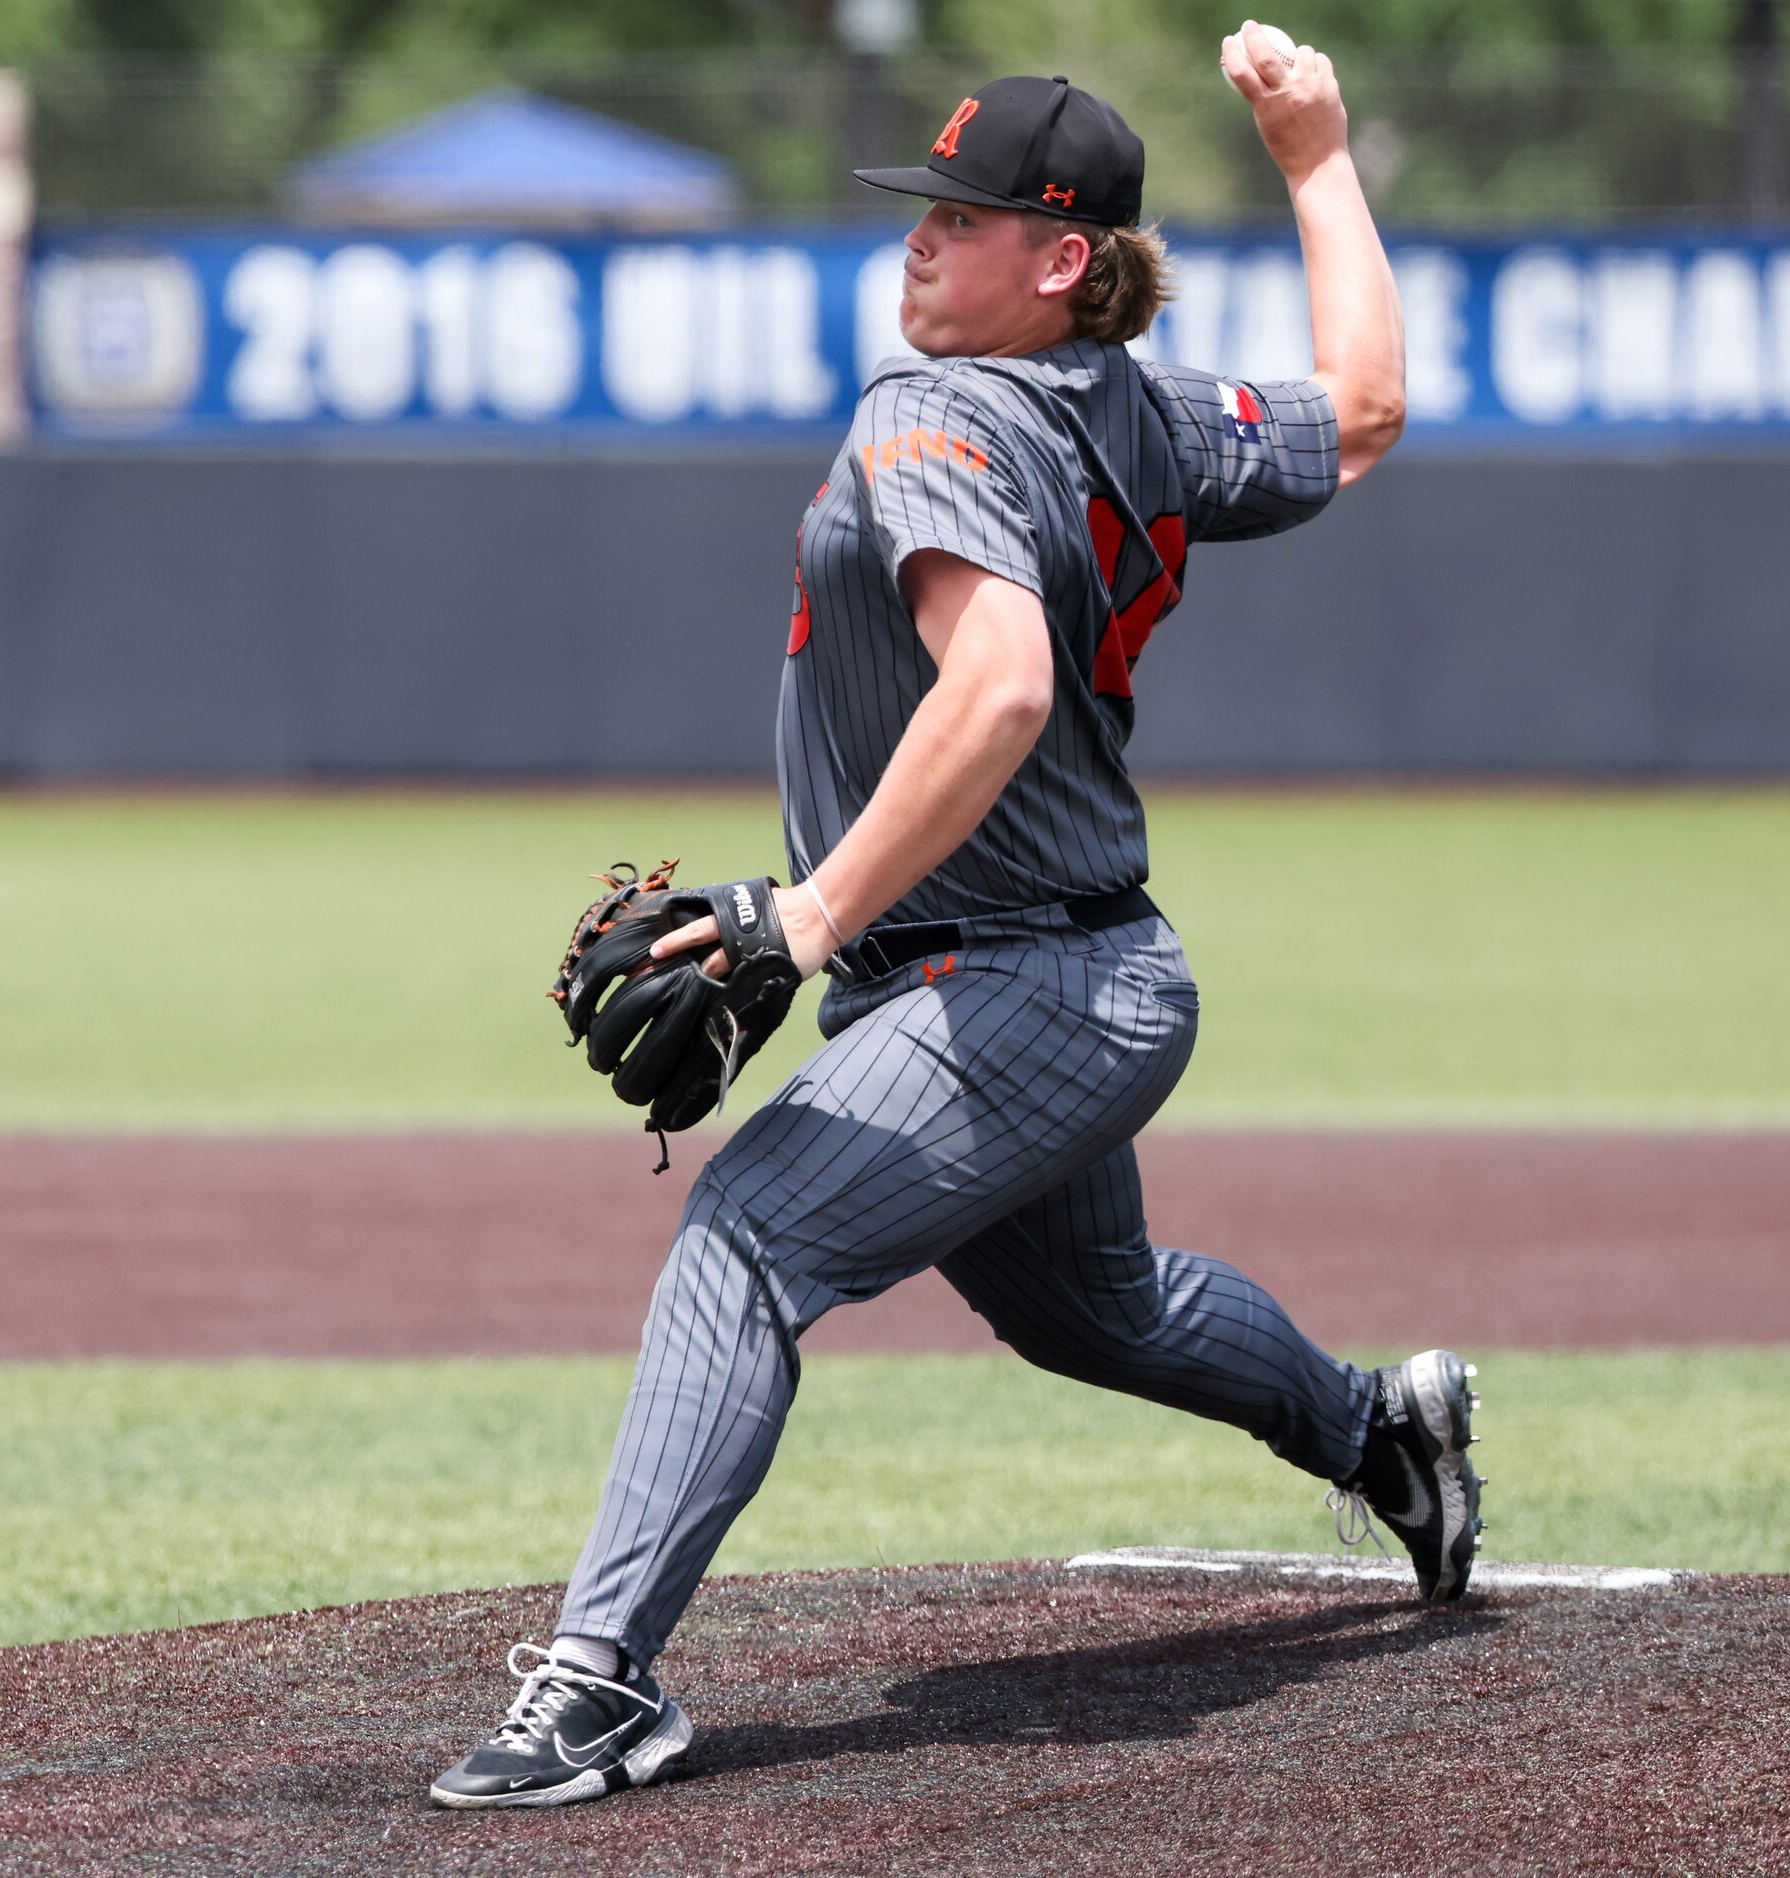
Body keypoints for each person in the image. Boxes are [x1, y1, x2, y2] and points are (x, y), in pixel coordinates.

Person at [431, 36, 1481, 1813]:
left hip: (1021, 978)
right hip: (1079, 972)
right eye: (926, 207)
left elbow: (996, 685)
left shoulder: (931, 412)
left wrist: (804, 913)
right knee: (1098, 1307)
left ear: (1062, 261)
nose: (924, 240)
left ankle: (601, 1683)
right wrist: (1315, 156)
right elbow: (1361, 413)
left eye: (968, 216)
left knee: (748, 1240)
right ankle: (1383, 1426)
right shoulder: (1140, 410)